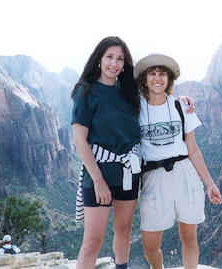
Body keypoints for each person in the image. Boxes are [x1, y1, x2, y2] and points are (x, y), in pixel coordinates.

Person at [71, 36, 194, 269]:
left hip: (129, 171)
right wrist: (98, 181)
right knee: (92, 242)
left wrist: (179, 100)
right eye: (109, 57)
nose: (114, 64)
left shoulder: (128, 92)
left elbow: (155, 99)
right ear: (99, 59)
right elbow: (80, 141)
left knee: (124, 231)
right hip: (99, 172)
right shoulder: (85, 92)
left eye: (120, 59)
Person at [134, 53, 222, 269]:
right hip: (153, 176)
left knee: (189, 237)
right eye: (152, 74)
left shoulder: (181, 107)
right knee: (150, 247)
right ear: (145, 79)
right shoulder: (136, 108)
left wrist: (210, 184)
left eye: (162, 74)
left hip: (184, 172)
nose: (157, 78)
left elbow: (193, 149)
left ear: (169, 79)